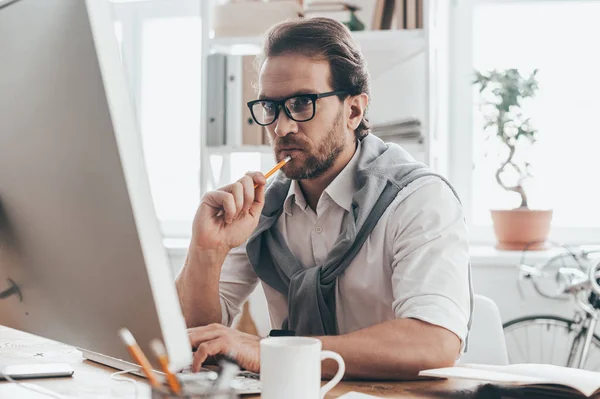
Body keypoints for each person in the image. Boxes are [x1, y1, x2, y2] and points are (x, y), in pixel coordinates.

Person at [176, 17, 472, 380]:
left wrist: (270, 353)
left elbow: (434, 343)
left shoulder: (418, 199)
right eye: (270, 107)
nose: (281, 128)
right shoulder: (260, 211)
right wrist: (207, 250)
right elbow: (198, 341)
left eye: (302, 103)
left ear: (354, 111)